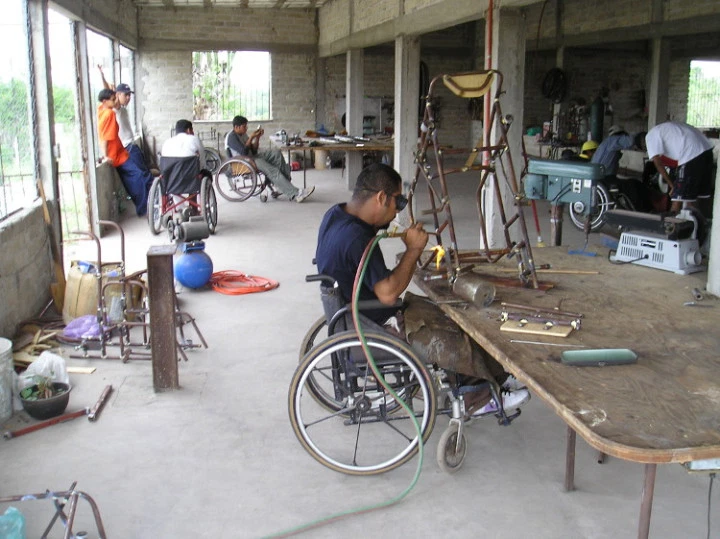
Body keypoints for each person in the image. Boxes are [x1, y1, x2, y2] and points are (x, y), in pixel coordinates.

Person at [315, 163, 530, 418]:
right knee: (448, 330)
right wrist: (414, 250)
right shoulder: (355, 238)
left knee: (440, 311)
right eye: (399, 202)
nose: (398, 211)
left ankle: (497, 378)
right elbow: (388, 293)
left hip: (348, 313)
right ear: (381, 198)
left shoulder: (336, 215)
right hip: (365, 324)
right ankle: (479, 397)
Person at [225, 115, 315, 203]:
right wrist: (251, 137)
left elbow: (254, 150)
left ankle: (283, 185)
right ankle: (295, 193)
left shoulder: (243, 135)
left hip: (252, 157)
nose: (246, 128)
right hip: (244, 162)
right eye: (244, 126)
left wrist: (257, 138)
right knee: (273, 170)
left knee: (276, 153)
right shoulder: (231, 137)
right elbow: (243, 152)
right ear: (236, 127)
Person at [96, 89, 153, 216]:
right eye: (113, 99)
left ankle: (144, 205)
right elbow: (105, 138)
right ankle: (143, 207)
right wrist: (105, 156)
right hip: (116, 155)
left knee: (131, 178)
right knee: (138, 175)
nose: (116, 101)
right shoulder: (109, 114)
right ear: (105, 101)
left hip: (119, 151)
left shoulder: (100, 109)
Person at [643, 121, 714, 213]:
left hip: (691, 151)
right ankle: (695, 222)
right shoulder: (664, 131)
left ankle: (671, 225)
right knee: (692, 196)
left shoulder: (650, 137)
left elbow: (658, 164)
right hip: (706, 149)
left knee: (678, 196)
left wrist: (672, 185)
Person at [97, 66, 152, 177]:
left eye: (129, 95)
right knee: (142, 175)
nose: (128, 97)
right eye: (125, 95)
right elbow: (108, 92)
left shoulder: (122, 109)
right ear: (117, 95)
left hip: (131, 146)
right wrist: (102, 76)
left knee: (144, 173)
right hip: (127, 147)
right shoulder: (114, 109)